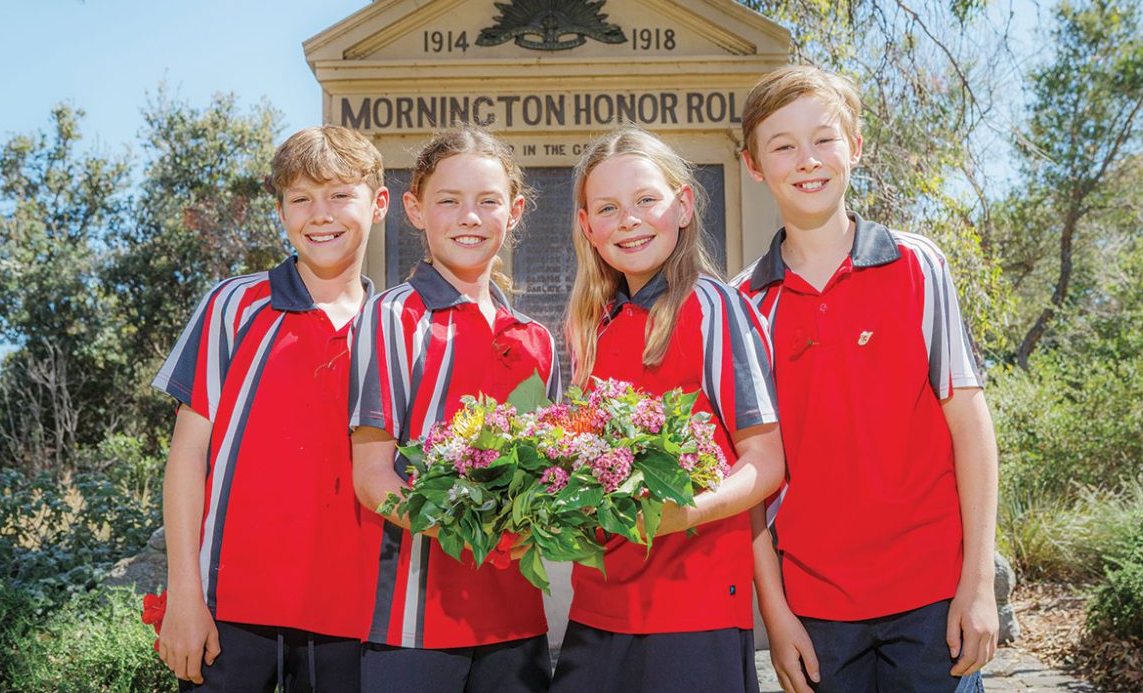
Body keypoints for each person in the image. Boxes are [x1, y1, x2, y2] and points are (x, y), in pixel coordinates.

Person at [733, 64, 999, 693]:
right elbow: (749, 473)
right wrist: (775, 613)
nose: (807, 160)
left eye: (824, 138)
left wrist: (979, 583)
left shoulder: (918, 264)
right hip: (818, 613)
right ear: (753, 165)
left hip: (935, 598)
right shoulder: (744, 304)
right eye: (783, 145)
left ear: (855, 147)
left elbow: (971, 427)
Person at [153, 125, 390, 691]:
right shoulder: (232, 306)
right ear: (280, 210)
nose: (320, 214)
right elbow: (187, 459)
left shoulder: (396, 327)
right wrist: (183, 595)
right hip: (229, 610)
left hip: (356, 620)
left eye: (339, 195)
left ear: (379, 204)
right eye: (301, 198)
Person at [549, 127, 784, 693]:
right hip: (599, 607)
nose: (628, 219)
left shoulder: (715, 307)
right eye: (608, 208)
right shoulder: (590, 326)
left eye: (645, 200)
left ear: (682, 206)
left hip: (693, 611)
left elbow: (765, 462)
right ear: (587, 226)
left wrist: (681, 513)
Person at [348, 127, 561, 693]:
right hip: (411, 626)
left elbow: (549, 475)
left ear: (514, 212)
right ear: (416, 211)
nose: (470, 217)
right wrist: (470, 528)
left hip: (517, 624)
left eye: (488, 201)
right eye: (449, 201)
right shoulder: (393, 318)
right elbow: (371, 477)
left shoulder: (537, 339)